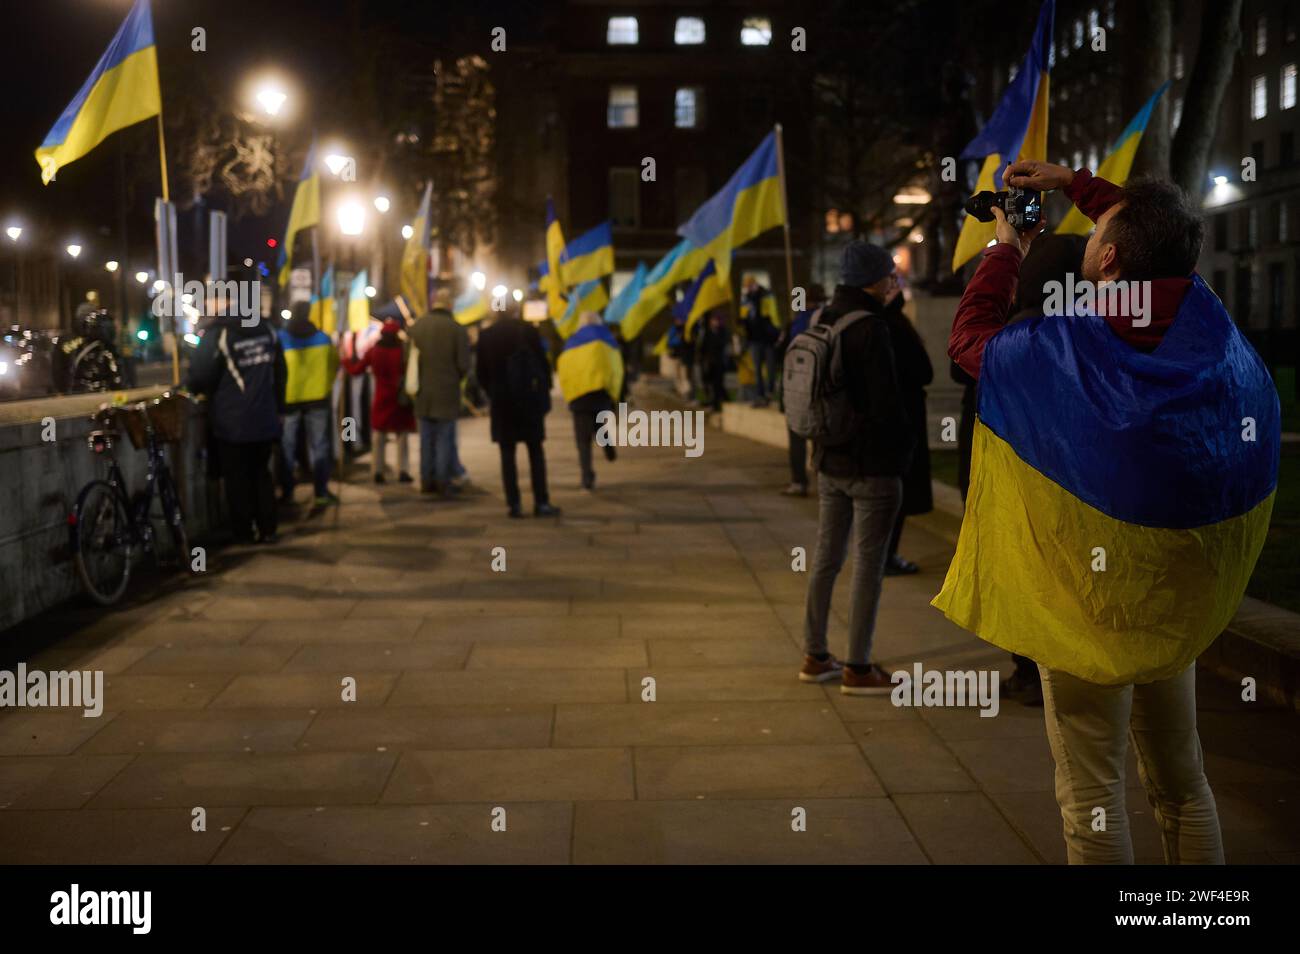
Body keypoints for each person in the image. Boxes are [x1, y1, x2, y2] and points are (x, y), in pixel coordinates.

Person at [935, 161, 1280, 864]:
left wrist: (1003, 249)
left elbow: (969, 342)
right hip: (1170, 601)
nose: (1091, 235)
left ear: (1110, 258)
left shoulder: (1061, 348)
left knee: (1092, 798)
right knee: (1184, 784)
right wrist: (1074, 181)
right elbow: (1159, 236)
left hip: (1085, 609)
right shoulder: (1205, 323)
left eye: (1098, 231)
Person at [799, 241, 914, 694]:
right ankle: (858, 667)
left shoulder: (820, 319)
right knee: (868, 564)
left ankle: (814, 654)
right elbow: (887, 406)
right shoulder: (872, 328)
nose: (894, 281)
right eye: (889, 275)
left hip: (829, 460)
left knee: (826, 559)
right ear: (872, 280)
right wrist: (902, 455)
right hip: (871, 468)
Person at [187, 313, 286, 544]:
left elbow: (200, 375)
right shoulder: (268, 331)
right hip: (264, 417)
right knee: (261, 472)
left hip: (231, 419)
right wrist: (280, 408)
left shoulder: (219, 334)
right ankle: (268, 528)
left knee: (236, 477)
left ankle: (244, 532)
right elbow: (281, 372)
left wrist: (192, 387)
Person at [476, 306, 560, 518]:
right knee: (535, 452)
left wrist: (493, 392)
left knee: (507, 453)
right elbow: (543, 365)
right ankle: (541, 502)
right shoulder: (528, 331)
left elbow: (480, 373)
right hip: (528, 400)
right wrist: (543, 392)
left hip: (502, 402)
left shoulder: (486, 335)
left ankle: (514, 504)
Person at [877, 287, 933, 575]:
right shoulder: (898, 329)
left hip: (884, 423)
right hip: (905, 419)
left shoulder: (874, 327)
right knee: (897, 495)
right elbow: (925, 372)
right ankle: (886, 557)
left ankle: (881, 556)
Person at [408, 289, 470, 497]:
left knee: (426, 439)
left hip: (423, 393)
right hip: (447, 392)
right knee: (444, 438)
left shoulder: (417, 328)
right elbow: (464, 365)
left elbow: (407, 362)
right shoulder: (457, 329)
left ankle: (427, 480)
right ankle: (443, 481)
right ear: (450, 305)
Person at [278, 302, 339, 509]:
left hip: (290, 400)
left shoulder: (281, 339)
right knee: (319, 446)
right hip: (318, 398)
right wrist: (325, 385)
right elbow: (334, 366)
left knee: (287, 446)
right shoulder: (323, 338)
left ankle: (287, 492)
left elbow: (276, 370)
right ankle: (321, 492)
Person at [342, 318, 415, 484]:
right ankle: (403, 470)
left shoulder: (374, 351)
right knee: (402, 436)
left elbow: (356, 370)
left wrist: (345, 360)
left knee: (378, 436)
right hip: (399, 398)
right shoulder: (402, 351)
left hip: (381, 397)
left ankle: (378, 471)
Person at [557, 312, 624, 490]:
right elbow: (616, 367)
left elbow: (565, 368)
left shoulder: (572, 342)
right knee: (599, 424)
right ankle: (608, 446)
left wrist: (568, 393)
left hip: (579, 396)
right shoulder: (607, 339)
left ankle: (587, 475)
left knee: (582, 439)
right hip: (600, 393)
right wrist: (616, 394)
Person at [775, 283, 825, 496]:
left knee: (797, 437)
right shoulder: (828, 321)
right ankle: (825, 482)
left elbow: (780, 354)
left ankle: (799, 481)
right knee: (821, 439)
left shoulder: (795, 324)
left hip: (796, 390)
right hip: (821, 389)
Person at [739, 275, 780, 406]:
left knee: (771, 367)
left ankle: (769, 392)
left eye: (749, 285)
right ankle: (760, 395)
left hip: (768, 338)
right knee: (757, 369)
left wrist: (774, 330)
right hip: (754, 339)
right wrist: (743, 324)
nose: (748, 288)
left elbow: (771, 315)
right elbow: (745, 317)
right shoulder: (746, 299)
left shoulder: (766, 295)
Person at [699, 309, 730, 412]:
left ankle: (718, 403)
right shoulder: (707, 332)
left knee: (718, 383)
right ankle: (714, 401)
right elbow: (702, 347)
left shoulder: (723, 332)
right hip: (709, 362)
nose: (714, 322)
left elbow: (722, 344)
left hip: (719, 362)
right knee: (710, 383)